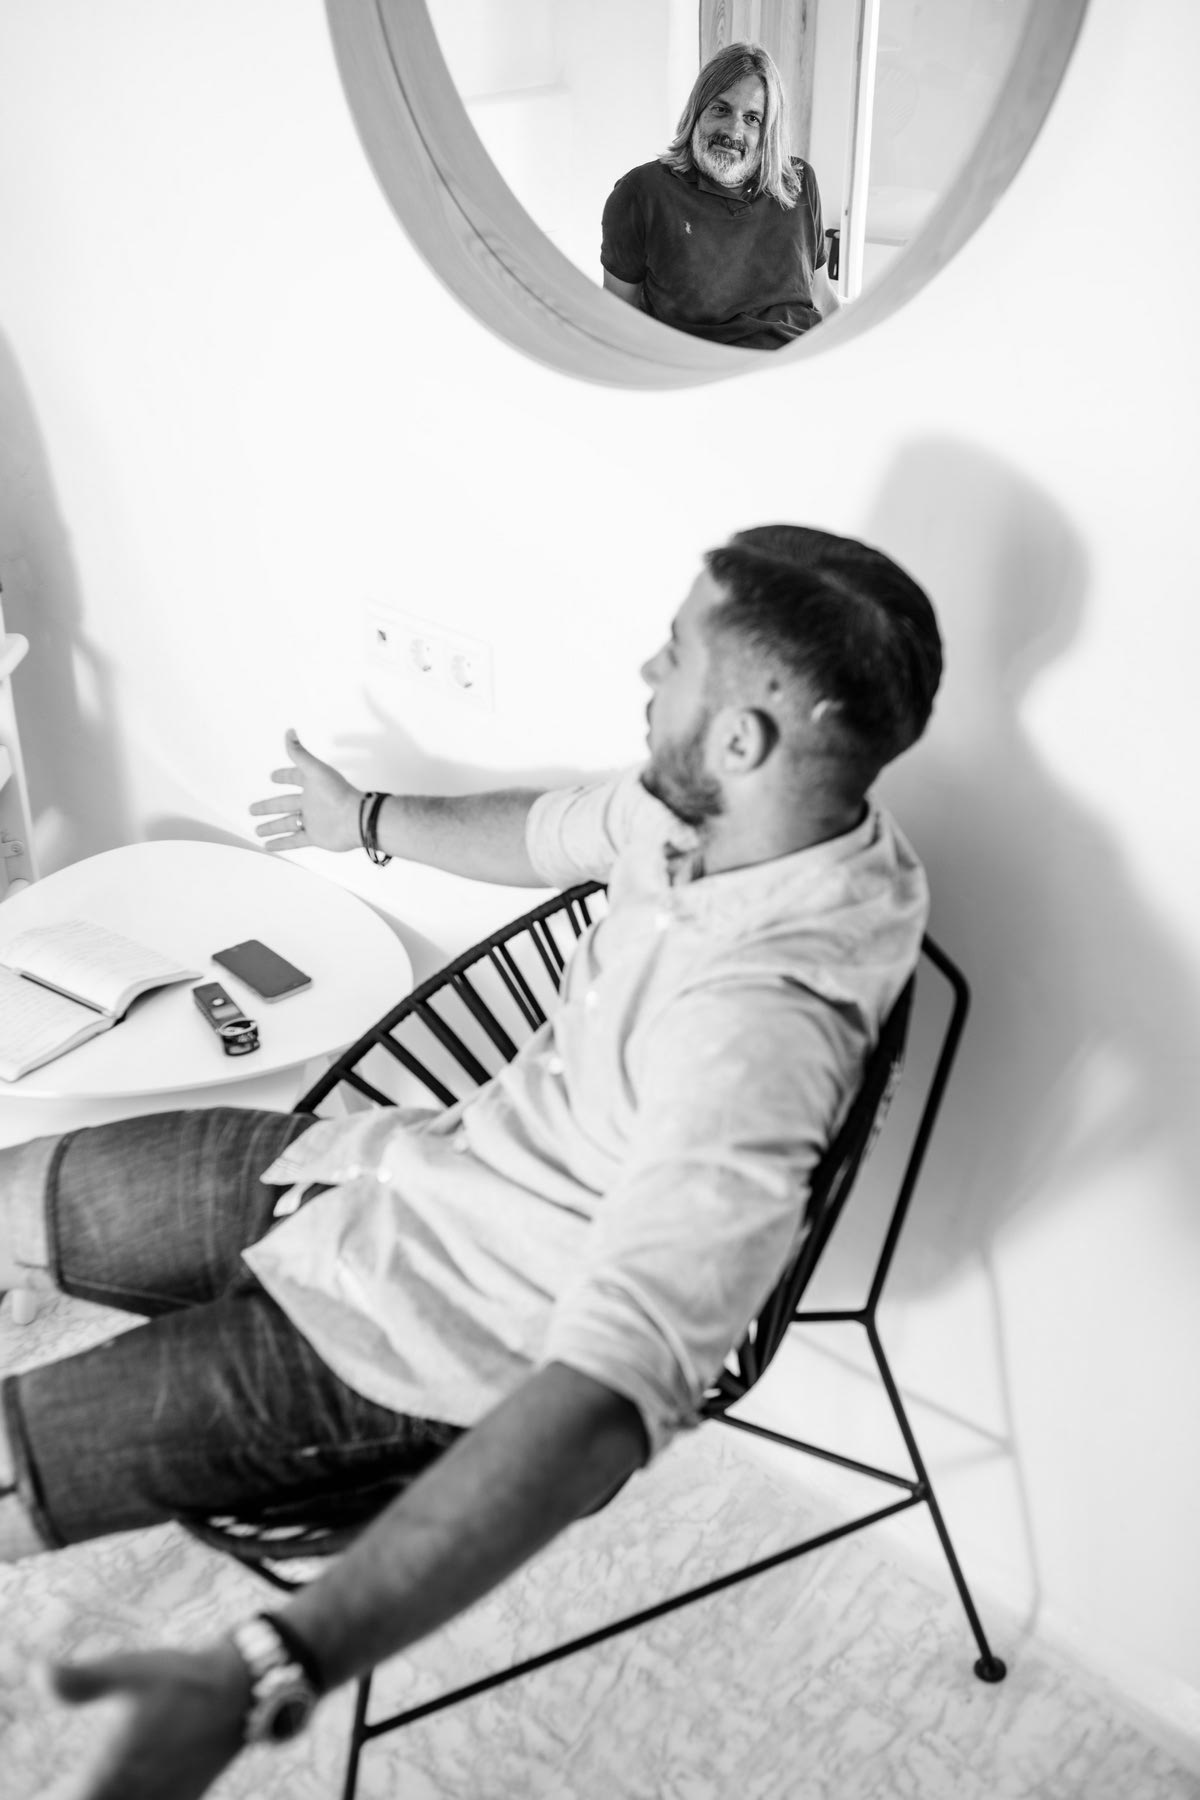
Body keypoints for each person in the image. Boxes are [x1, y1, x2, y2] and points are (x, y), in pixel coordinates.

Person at [0, 524, 941, 1799]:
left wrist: (272, 1665)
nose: (645, 669)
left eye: (673, 656)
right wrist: (360, 819)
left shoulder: (757, 1030)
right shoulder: (720, 815)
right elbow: (553, 830)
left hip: (426, 1343)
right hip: (385, 1172)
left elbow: (604, 1404)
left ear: (743, 739)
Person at [601, 42, 839, 350]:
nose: (733, 131)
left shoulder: (799, 181)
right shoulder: (641, 193)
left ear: (768, 132)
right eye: (721, 109)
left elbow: (821, 295)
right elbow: (617, 314)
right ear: (697, 112)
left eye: (752, 118)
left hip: (801, 363)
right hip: (708, 371)